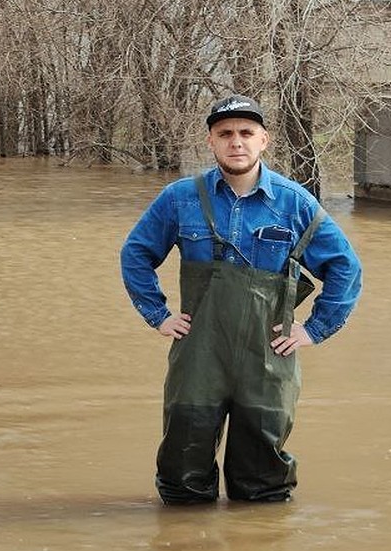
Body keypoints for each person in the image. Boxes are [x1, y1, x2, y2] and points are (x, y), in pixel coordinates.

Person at [120, 95, 362, 505]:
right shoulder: (180, 198)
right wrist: (158, 315)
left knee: (263, 483)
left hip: (267, 357)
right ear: (211, 142)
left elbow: (345, 268)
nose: (237, 142)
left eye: (246, 133)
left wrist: (315, 330)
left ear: (263, 140)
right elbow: (135, 254)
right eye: (225, 134)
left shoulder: (295, 203)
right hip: (199, 355)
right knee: (183, 472)